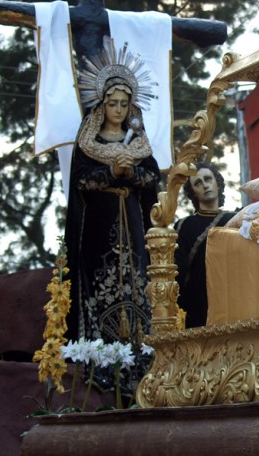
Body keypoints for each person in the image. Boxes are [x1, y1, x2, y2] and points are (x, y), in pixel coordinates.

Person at [64, 39, 160, 389]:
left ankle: (141, 362)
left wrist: (131, 173)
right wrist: (110, 173)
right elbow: (81, 182)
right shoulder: (88, 142)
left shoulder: (138, 142)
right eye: (112, 103)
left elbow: (152, 178)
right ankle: (101, 365)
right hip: (98, 227)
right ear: (102, 104)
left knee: (137, 285)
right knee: (101, 285)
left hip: (133, 225)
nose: (118, 109)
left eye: (124, 103)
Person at [174, 162, 237, 328]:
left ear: (217, 182)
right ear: (193, 192)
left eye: (208, 179)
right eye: (198, 183)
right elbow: (177, 272)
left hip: (231, 299)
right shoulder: (184, 225)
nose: (205, 185)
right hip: (196, 307)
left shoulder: (236, 220)